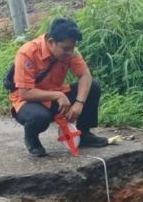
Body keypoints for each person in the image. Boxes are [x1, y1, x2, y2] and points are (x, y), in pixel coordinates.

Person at [11, 18, 109, 156]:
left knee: (93, 87)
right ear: (51, 42)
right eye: (66, 49)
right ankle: (32, 140)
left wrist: (79, 103)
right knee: (39, 117)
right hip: (29, 101)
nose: (70, 53)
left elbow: (85, 76)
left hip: (56, 96)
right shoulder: (27, 52)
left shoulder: (71, 51)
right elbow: (25, 93)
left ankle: (84, 134)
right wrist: (58, 95)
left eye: (72, 48)